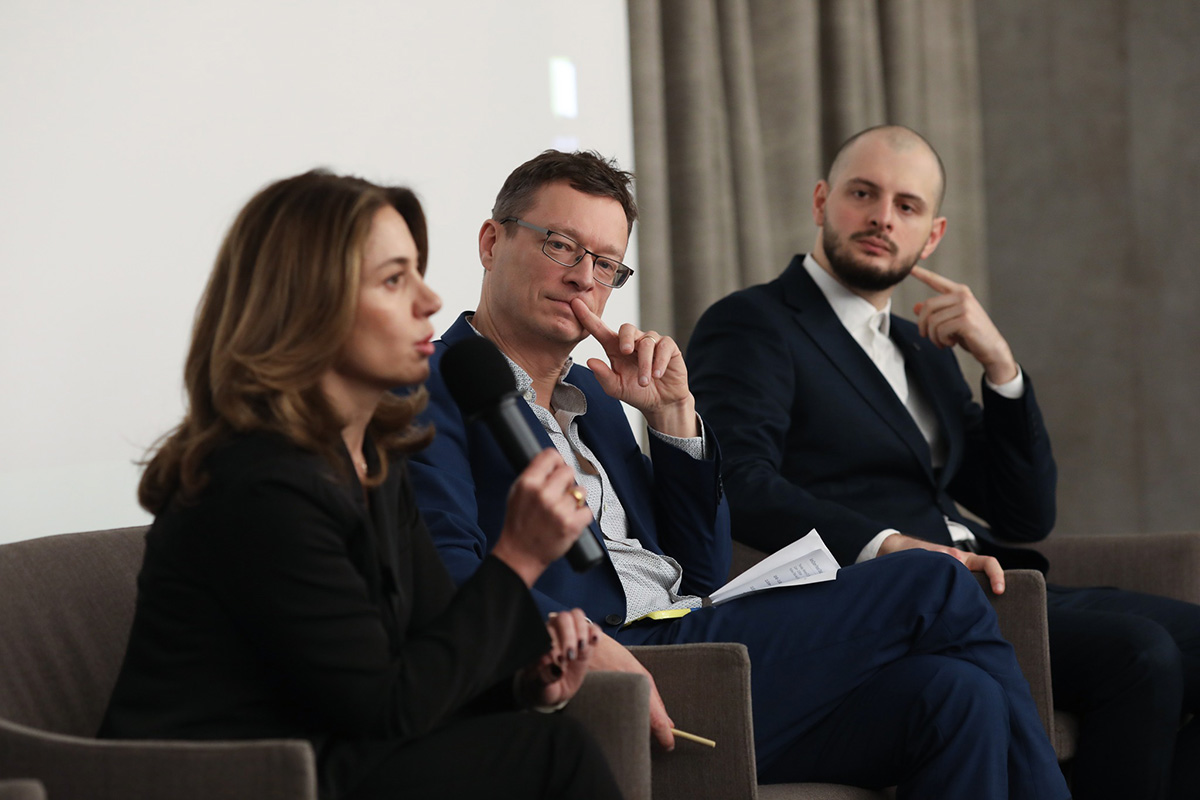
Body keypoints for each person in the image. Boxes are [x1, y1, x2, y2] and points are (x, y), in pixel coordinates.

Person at [407, 148, 1070, 797]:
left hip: (691, 642)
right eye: (560, 245)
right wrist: (567, 634)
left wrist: (672, 417)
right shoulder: (430, 385)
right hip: (601, 657)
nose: (584, 277)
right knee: (933, 579)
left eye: (605, 263)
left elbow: (701, 571)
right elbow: (444, 569)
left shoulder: (598, 400)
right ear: (491, 242)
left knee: (957, 695)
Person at [687, 124, 1200, 800]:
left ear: (932, 235)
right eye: (862, 194)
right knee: (1142, 656)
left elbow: (1025, 513)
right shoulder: (754, 322)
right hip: (894, 600)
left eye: (906, 206)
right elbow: (739, 480)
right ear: (820, 201)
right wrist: (887, 545)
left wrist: (1001, 367)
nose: (882, 217)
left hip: (997, 578)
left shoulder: (923, 346)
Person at [99, 170, 623, 800]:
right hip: (227, 779)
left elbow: (428, 648)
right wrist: (518, 559)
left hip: (328, 757)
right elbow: (385, 708)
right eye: (394, 280)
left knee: (543, 737)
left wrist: (524, 684)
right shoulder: (259, 483)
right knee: (551, 755)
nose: (429, 300)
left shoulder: (373, 462)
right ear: (309, 304)